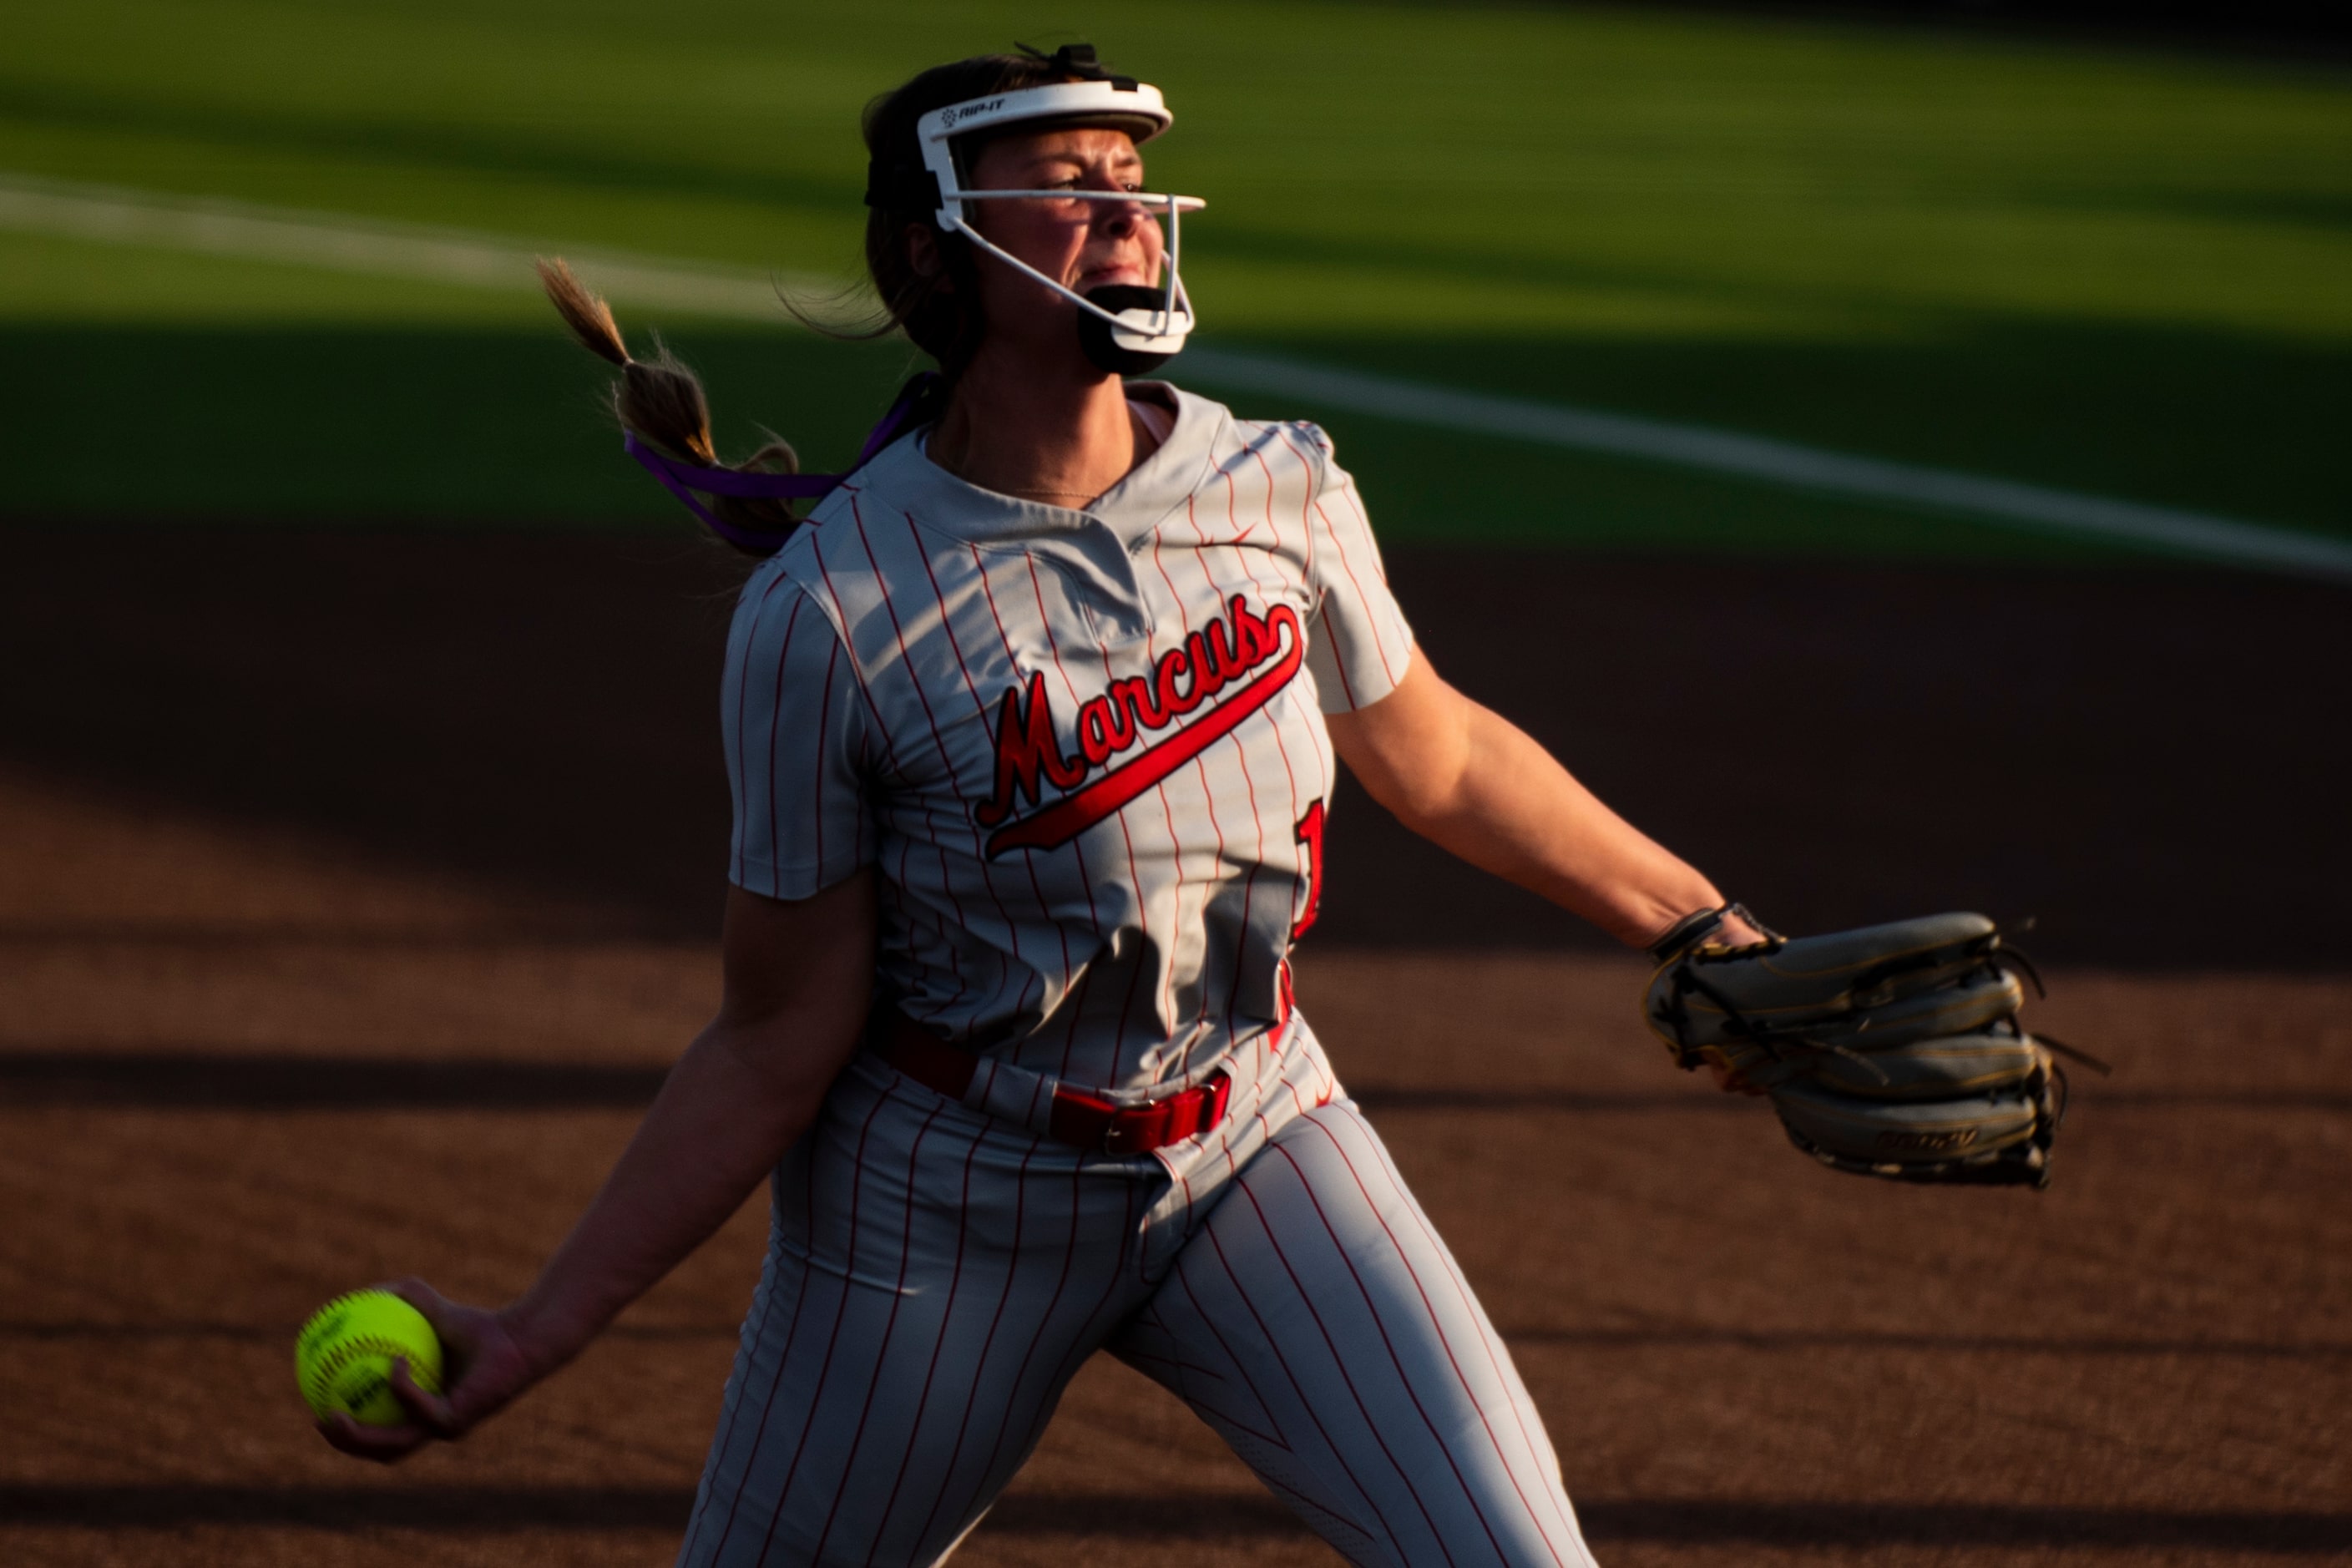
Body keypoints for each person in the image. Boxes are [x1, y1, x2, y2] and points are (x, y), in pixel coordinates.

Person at [320, 45, 1764, 1567]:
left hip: (1257, 1140)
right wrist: (542, 1328)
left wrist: (1706, 925)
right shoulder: (834, 612)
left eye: (1132, 184)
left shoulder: (1277, 487)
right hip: (942, 1201)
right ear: (940, 252)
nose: (1127, 219)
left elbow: (1444, 758)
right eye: (1071, 190)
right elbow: (771, 1033)